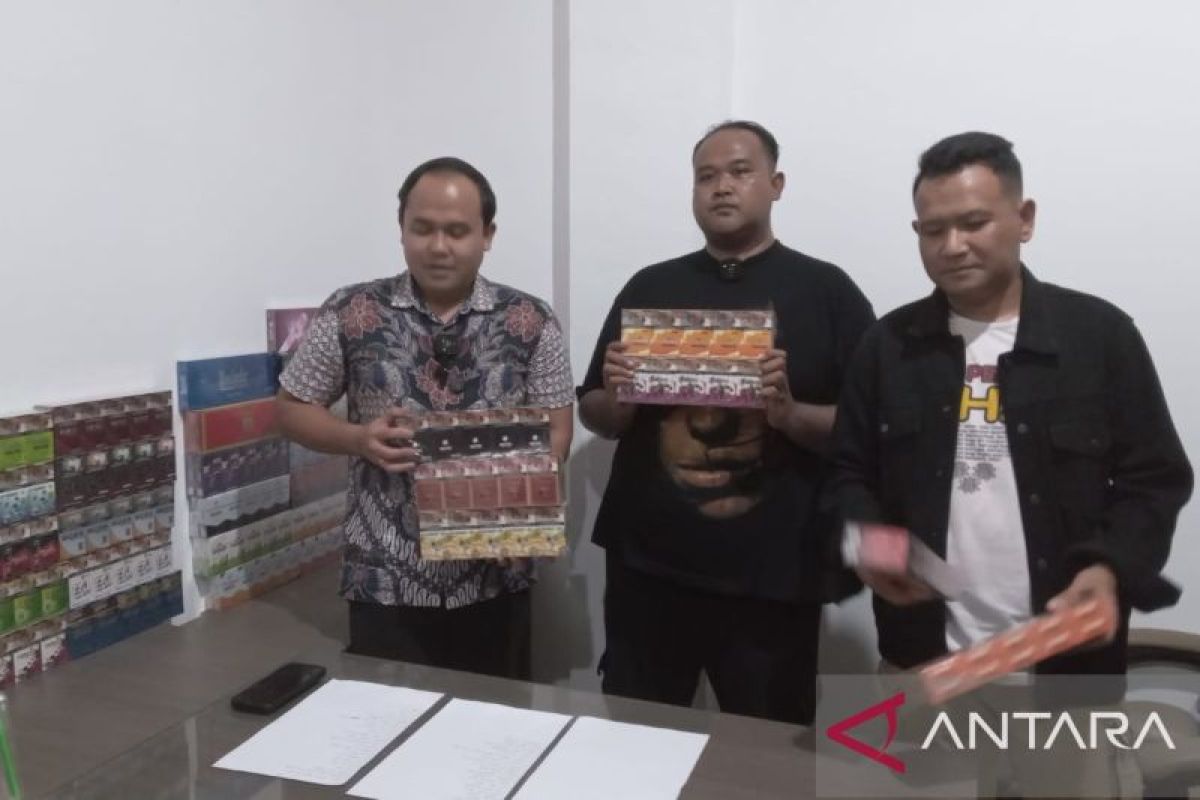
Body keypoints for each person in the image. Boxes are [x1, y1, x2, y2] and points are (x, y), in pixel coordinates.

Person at [832, 131, 1193, 790]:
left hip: (1064, 668)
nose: (952, 245)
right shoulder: (888, 346)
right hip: (926, 663)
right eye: (933, 230)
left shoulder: (1099, 336)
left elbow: (1155, 478)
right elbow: (848, 473)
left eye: (974, 223)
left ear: (1023, 219)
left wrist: (1109, 569)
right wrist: (871, 545)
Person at [577, 121, 875, 724]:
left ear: (776, 184)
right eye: (705, 176)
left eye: (740, 172)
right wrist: (621, 400)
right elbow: (593, 410)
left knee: (767, 748)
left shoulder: (827, 291)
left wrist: (790, 415)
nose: (721, 187)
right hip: (649, 568)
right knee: (636, 737)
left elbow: (870, 428)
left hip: (774, 575)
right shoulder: (651, 285)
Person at [276, 156, 574, 680]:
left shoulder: (530, 319)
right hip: (385, 575)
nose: (439, 246)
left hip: (494, 571)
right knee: (388, 722)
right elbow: (292, 407)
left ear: (488, 235)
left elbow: (557, 429)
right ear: (401, 229)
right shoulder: (351, 311)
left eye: (457, 231)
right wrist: (356, 438)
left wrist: (518, 515)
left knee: (494, 720)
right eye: (423, 229)